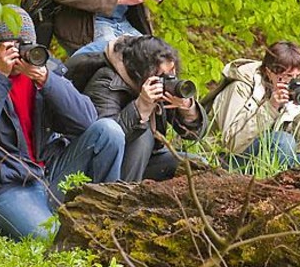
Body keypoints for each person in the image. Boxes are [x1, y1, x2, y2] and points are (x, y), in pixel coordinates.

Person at [0, 5, 125, 242]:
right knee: (50, 238)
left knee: (109, 132)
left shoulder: (45, 72)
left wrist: (46, 80)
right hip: (3, 185)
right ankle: (3, 222)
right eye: (12, 46)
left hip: (48, 173)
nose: (20, 52)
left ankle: (103, 218)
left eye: (25, 45)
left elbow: (87, 120)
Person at [77, 35, 208, 182]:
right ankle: (123, 194)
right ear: (144, 73)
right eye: (162, 75)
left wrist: (187, 108)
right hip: (107, 169)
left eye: (172, 71)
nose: (170, 78)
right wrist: (140, 107)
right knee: (143, 134)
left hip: (147, 159)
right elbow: (105, 140)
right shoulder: (106, 82)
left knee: (197, 166)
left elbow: (195, 134)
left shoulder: (162, 83)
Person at [209, 41, 300, 170]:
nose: (294, 81)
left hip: (271, 156)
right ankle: (269, 182)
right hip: (226, 160)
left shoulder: (295, 94)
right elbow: (232, 143)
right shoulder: (240, 87)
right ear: (269, 72)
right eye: (288, 76)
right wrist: (271, 108)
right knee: (283, 141)